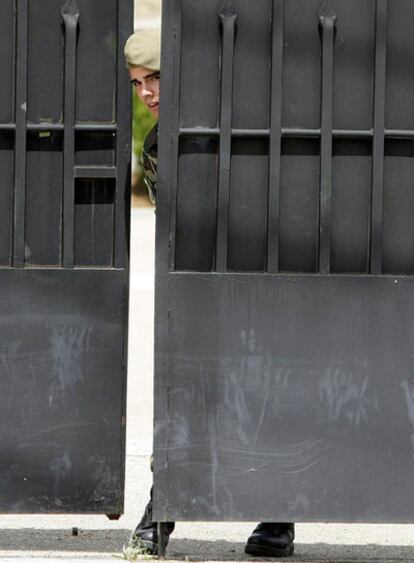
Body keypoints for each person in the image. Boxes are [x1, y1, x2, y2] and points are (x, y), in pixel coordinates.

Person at [124, 28, 295, 558]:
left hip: (267, 276)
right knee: (190, 396)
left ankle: (278, 514)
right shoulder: (157, 143)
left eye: (156, 77)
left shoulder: (240, 122)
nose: (147, 93)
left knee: (275, 392)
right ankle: (160, 516)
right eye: (137, 83)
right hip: (197, 283)